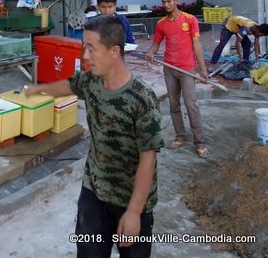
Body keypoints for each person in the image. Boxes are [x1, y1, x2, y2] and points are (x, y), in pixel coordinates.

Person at [26, 15, 164, 258]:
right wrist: (38, 89)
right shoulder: (91, 82)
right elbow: (68, 86)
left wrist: (133, 212)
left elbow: (148, 159)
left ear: (114, 52)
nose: (85, 56)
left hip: (130, 198)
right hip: (94, 191)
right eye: (83, 48)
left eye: (90, 49)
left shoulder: (142, 98)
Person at [145, 0, 209, 159]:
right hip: (169, 69)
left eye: (169, 1)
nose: (166, 4)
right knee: (174, 105)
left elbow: (196, 45)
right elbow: (156, 44)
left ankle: (200, 141)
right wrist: (151, 52)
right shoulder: (161, 24)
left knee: (191, 105)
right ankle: (180, 137)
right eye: (163, 2)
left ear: (176, 1)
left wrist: (203, 70)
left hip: (187, 69)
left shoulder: (190, 20)